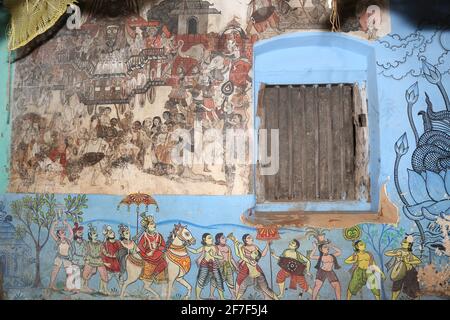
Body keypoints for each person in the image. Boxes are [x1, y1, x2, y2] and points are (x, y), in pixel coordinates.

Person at [229, 233, 277, 300]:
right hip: (247, 271)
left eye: (251, 237)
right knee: (241, 285)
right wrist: (236, 244)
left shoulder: (255, 247)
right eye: (249, 237)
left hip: (257, 272)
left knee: (265, 289)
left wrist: (267, 245)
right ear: (245, 240)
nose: (251, 238)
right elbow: (239, 254)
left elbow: (262, 254)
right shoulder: (243, 248)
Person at [188, 233, 225, 300]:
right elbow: (195, 251)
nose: (212, 239)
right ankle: (198, 297)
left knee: (219, 281)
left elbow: (221, 257)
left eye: (211, 238)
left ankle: (222, 298)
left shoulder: (215, 247)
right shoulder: (204, 247)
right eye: (209, 238)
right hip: (204, 266)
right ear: (204, 240)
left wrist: (214, 256)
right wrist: (187, 248)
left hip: (215, 266)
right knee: (200, 281)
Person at [385, 235, 421, 300]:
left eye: (404, 242)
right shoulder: (399, 251)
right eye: (402, 242)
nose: (402, 243)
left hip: (410, 273)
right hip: (399, 272)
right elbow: (387, 253)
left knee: (413, 289)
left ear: (409, 245)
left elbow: (418, 261)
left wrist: (409, 261)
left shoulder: (409, 253)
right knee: (396, 288)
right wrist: (395, 254)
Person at [137, 215, 167, 284]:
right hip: (147, 254)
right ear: (147, 227)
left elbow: (164, 246)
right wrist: (146, 252)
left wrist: (157, 247)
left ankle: (154, 274)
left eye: (153, 227)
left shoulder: (159, 235)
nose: (152, 228)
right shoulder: (145, 236)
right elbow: (140, 245)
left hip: (157, 253)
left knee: (164, 263)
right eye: (150, 227)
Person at [81, 224, 109, 294]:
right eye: (94, 234)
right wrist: (86, 259)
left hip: (99, 260)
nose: (96, 234)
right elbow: (85, 252)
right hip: (90, 259)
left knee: (104, 274)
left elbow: (104, 251)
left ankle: (105, 290)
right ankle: (83, 286)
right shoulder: (88, 243)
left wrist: (109, 255)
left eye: (96, 233)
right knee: (85, 274)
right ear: (90, 236)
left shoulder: (100, 243)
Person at [210, 233, 238, 299]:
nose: (225, 239)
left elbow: (231, 258)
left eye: (225, 237)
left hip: (228, 266)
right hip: (218, 267)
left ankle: (233, 296)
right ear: (218, 239)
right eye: (223, 238)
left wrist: (236, 267)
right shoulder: (215, 247)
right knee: (215, 281)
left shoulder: (228, 247)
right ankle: (211, 295)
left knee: (230, 281)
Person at [49, 220, 74, 291]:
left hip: (66, 258)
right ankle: (51, 285)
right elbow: (51, 232)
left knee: (69, 272)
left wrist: (67, 224)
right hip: (59, 257)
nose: (63, 233)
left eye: (64, 232)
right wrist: (54, 224)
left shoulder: (68, 240)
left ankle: (67, 286)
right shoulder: (58, 240)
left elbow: (72, 233)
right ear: (59, 235)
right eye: (61, 232)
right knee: (55, 271)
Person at [101, 225, 122, 292]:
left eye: (112, 232)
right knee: (105, 279)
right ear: (107, 236)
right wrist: (105, 263)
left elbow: (121, 251)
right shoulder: (105, 244)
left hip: (117, 265)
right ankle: (104, 290)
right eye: (110, 233)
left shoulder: (118, 242)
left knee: (120, 279)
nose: (112, 233)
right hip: (109, 265)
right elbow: (102, 255)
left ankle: (122, 292)